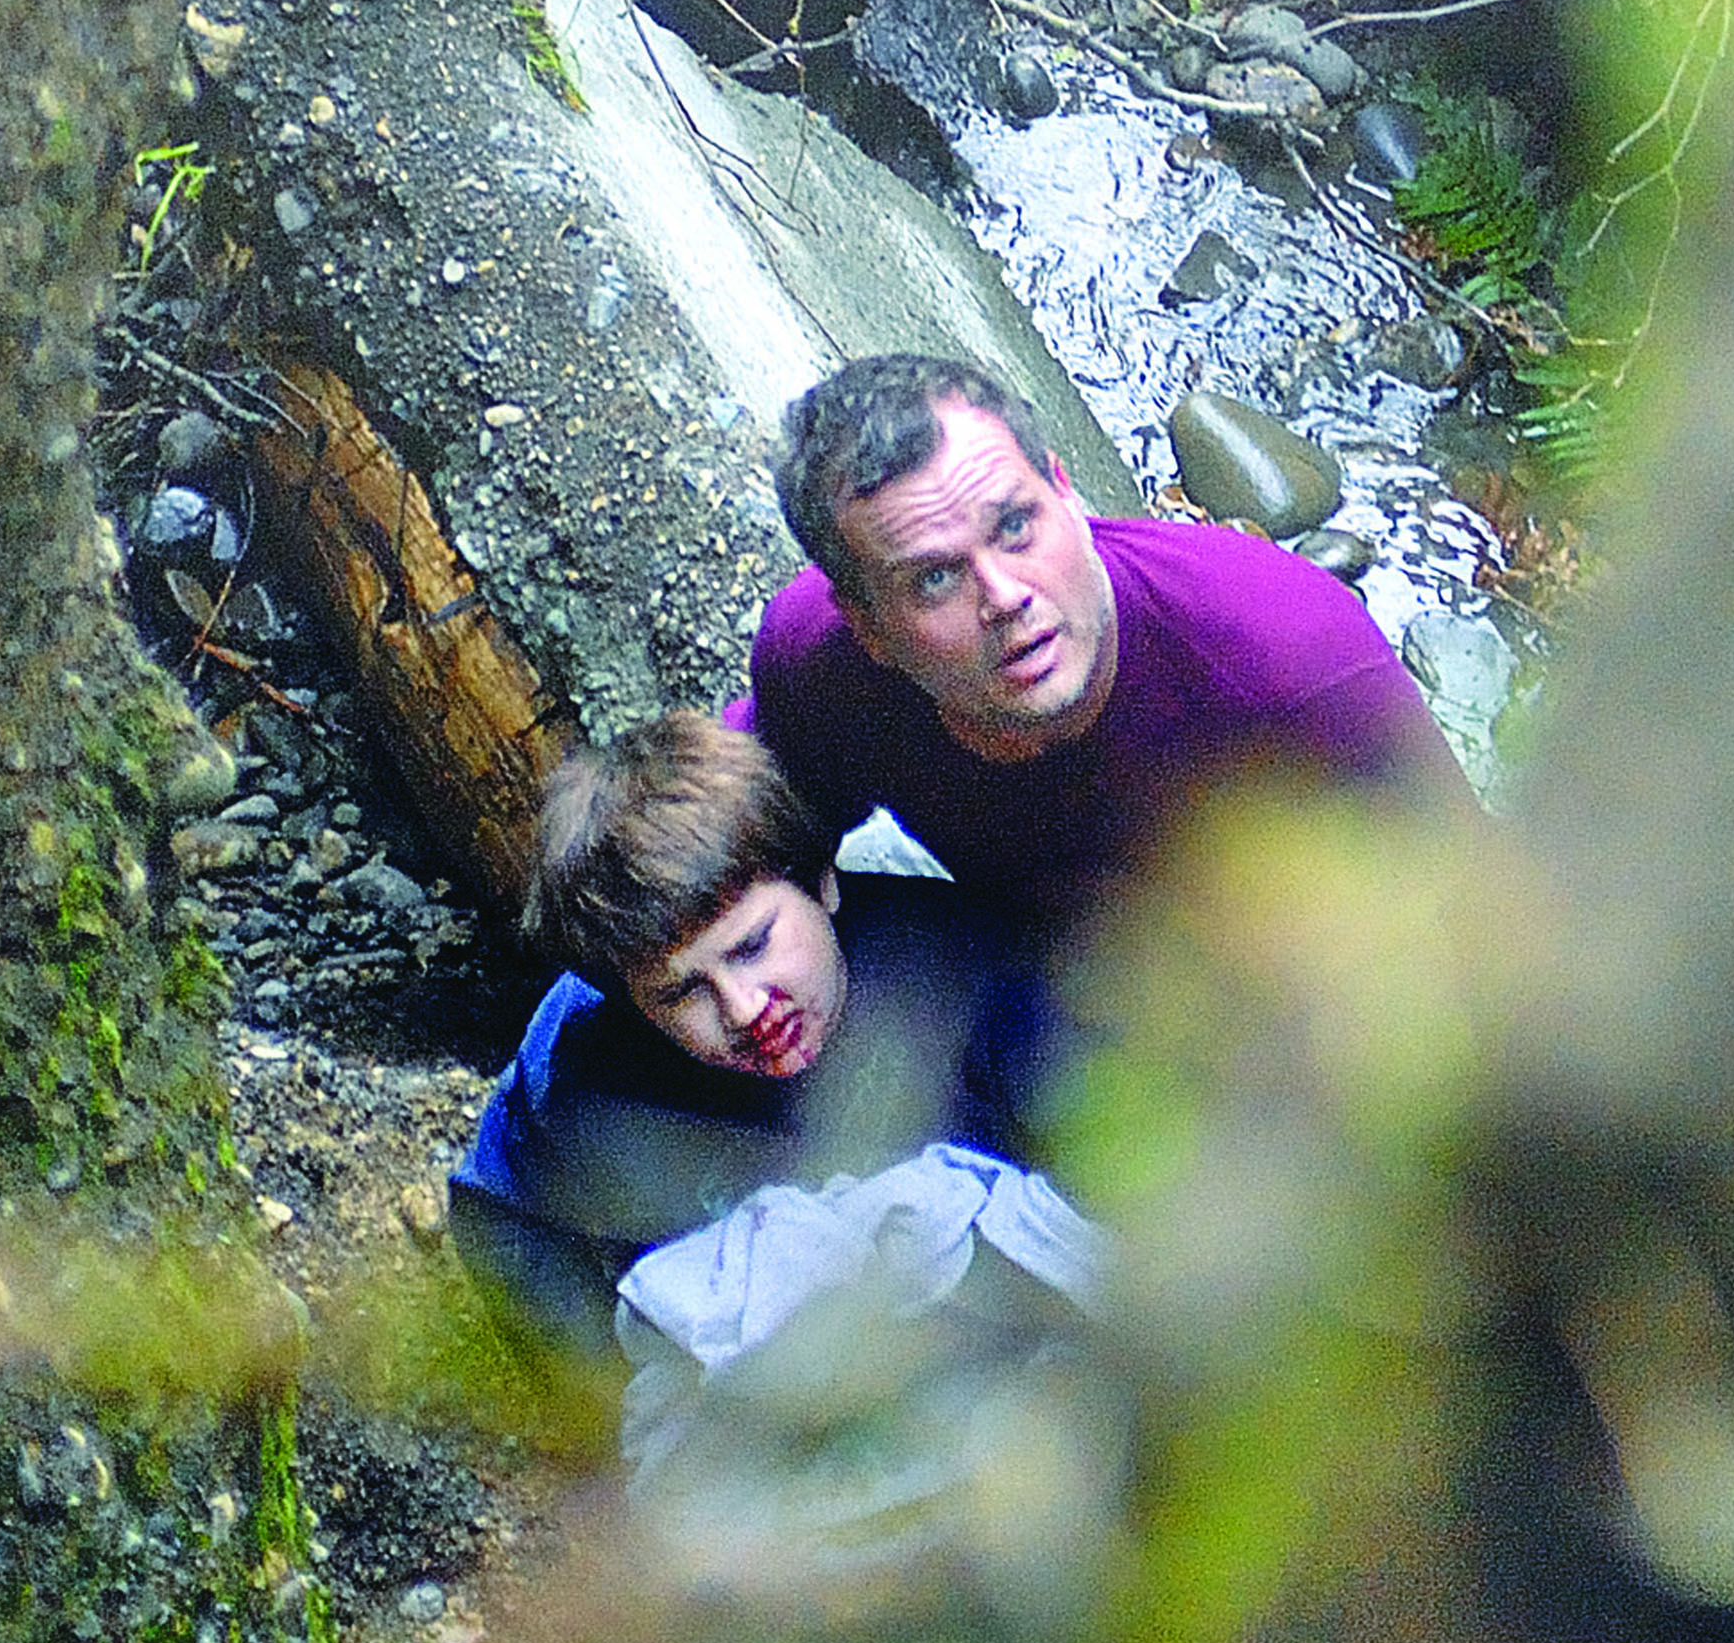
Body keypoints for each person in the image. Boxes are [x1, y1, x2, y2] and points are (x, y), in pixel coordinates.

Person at [738, 351, 1466, 939]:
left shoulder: (1290, 662)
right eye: (934, 578)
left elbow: (1480, 913)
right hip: (1034, 965)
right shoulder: (819, 662)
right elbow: (742, 834)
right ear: (866, 625)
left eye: (1015, 526)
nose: (1004, 596)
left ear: (1066, 491)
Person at [451, 712, 1066, 1353]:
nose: (745, 1010)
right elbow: (502, 1215)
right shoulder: (583, 1055)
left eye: (752, 946)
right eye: (683, 992)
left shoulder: (969, 978)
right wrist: (605, 1380)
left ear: (821, 882)